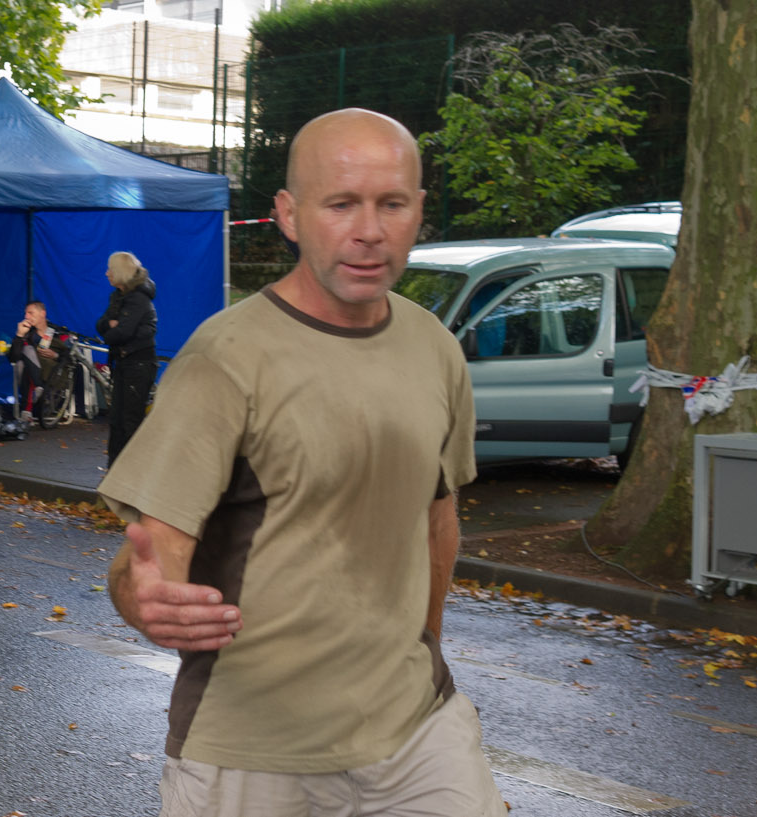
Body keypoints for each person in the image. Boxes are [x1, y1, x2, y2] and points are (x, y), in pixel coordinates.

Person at [100, 109, 503, 817]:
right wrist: (144, 600)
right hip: (250, 750)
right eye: (342, 203)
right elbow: (148, 558)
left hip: (416, 732)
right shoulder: (226, 358)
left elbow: (438, 524)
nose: (369, 230)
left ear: (418, 213)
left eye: (392, 204)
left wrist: (423, 650)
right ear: (289, 215)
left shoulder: (435, 347)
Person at [94, 251, 156, 466]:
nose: (106, 273)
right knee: (117, 420)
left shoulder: (138, 299)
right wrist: (112, 328)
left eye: (110, 269)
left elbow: (120, 333)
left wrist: (112, 328)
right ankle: (116, 469)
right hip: (124, 362)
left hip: (138, 365)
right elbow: (102, 324)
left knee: (130, 421)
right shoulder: (118, 297)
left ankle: (131, 470)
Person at [10, 300, 71, 423]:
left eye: (30, 313)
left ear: (42, 313)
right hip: (35, 375)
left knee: (26, 356)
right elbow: (13, 359)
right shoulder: (28, 334)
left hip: (55, 374)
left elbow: (71, 358)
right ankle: (36, 392)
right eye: (26, 313)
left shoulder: (58, 332)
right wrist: (19, 335)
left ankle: (26, 410)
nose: (27, 316)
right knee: (23, 361)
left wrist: (55, 355)